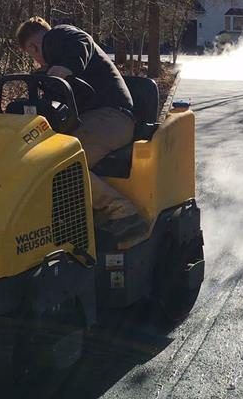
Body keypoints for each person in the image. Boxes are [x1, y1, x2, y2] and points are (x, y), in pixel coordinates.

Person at [15, 17, 146, 236]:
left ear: (34, 46)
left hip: (113, 118)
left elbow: (81, 40)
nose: (37, 60)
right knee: (40, 159)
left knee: (61, 165)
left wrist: (65, 68)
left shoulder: (60, 36)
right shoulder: (54, 69)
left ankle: (124, 212)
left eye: (33, 54)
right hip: (91, 121)